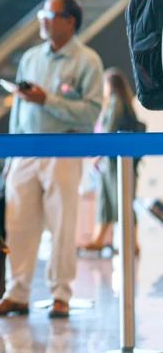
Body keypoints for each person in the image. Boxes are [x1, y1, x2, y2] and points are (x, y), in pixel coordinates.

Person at [0, 0, 103, 319]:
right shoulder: (31, 57)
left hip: (63, 150)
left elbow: (91, 111)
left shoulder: (87, 61)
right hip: (24, 150)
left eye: (49, 14)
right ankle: (16, 293)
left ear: (70, 21)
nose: (43, 20)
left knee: (62, 225)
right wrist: (9, 159)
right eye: (42, 14)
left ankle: (61, 294)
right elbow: (20, 109)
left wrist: (47, 100)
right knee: (19, 224)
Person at [84, 68, 142, 253]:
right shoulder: (119, 102)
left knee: (120, 199)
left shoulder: (115, 103)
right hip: (111, 161)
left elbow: (109, 130)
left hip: (114, 161)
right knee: (109, 200)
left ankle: (130, 242)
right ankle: (101, 239)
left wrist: (99, 155)